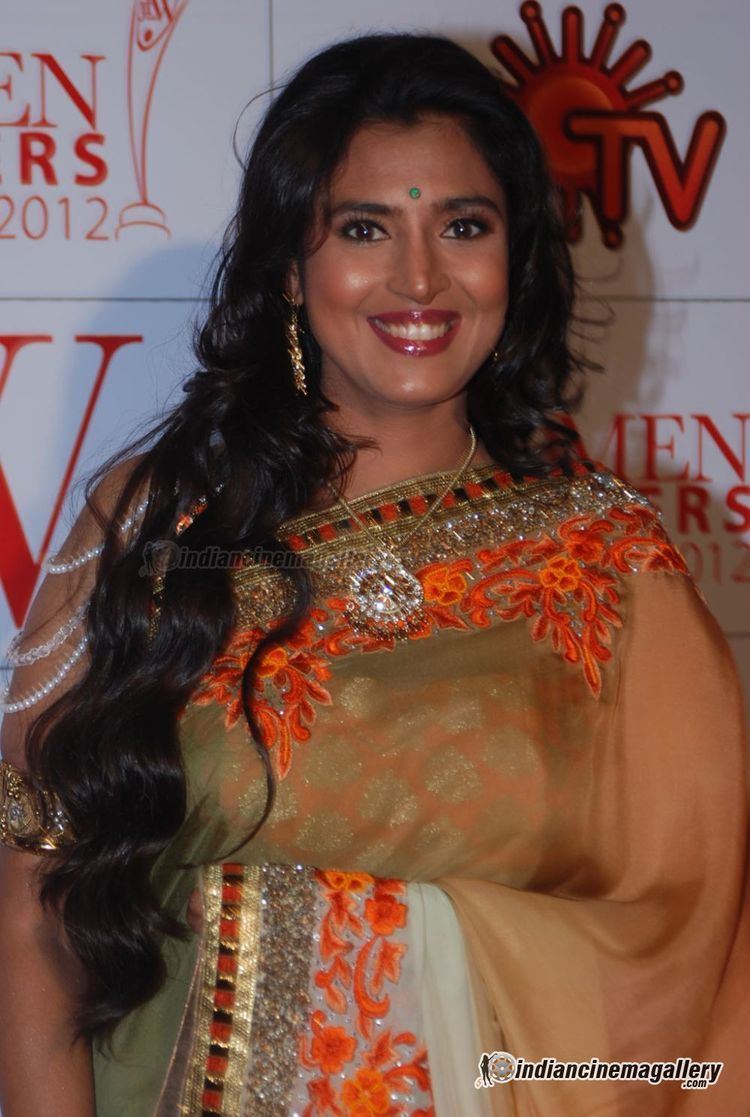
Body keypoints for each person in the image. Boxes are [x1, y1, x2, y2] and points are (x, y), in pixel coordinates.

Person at [0, 31, 747, 1117]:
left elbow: (701, 957)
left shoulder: (612, 570)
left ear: (516, 259)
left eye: (463, 227)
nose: (419, 278)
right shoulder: (154, 524)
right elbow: (31, 898)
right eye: (364, 228)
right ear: (291, 267)